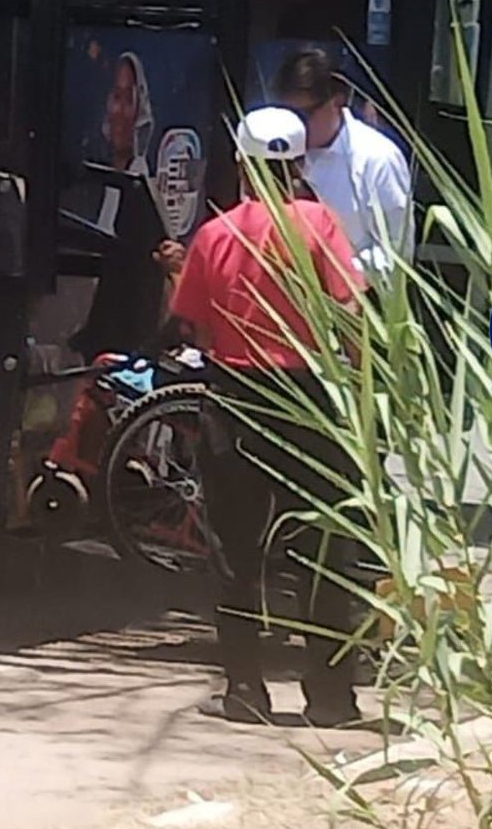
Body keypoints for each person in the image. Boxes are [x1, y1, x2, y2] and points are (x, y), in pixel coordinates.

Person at [170, 107, 365, 725]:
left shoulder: (216, 234)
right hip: (309, 402)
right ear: (301, 165)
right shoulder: (321, 225)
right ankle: (331, 699)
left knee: (236, 552)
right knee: (321, 550)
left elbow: (193, 323)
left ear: (244, 166)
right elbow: (352, 316)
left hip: (235, 401)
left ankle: (246, 692)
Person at [274, 48, 414, 277]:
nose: (295, 126)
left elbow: (396, 258)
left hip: (355, 301)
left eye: (303, 115)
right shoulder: (274, 152)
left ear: (337, 102)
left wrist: (332, 274)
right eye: (287, 114)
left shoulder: (377, 158)